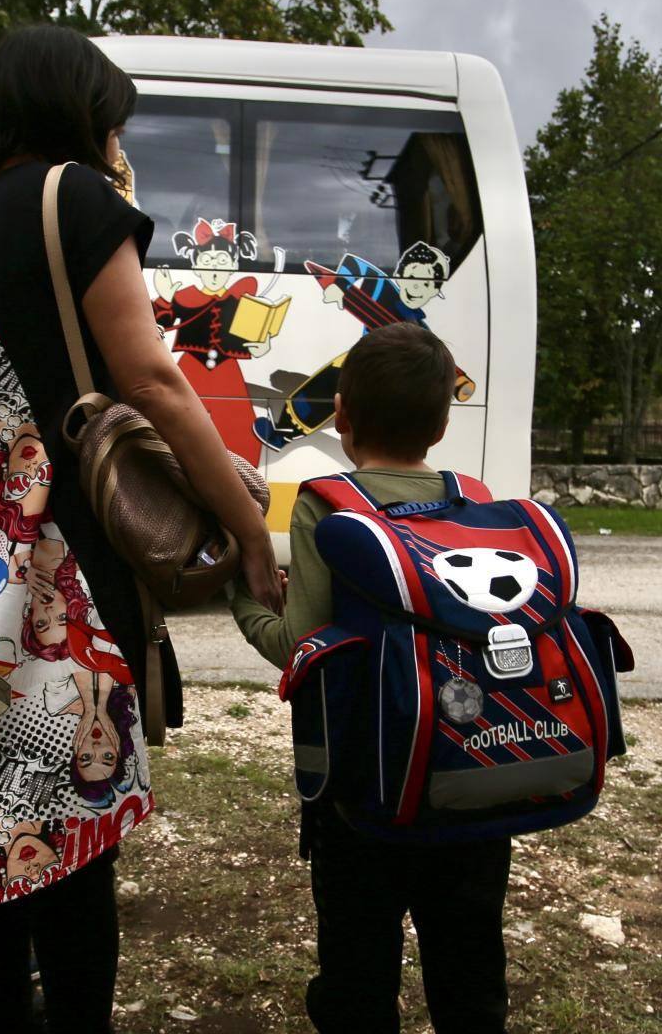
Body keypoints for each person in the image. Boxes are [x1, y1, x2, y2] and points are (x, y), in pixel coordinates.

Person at [0, 24, 281, 1034]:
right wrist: (250, 526)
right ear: (79, 113)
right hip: (47, 571)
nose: (115, 136)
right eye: (111, 117)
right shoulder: (77, 201)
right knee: (70, 843)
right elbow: (149, 378)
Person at [231, 321, 512, 1034]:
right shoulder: (474, 498)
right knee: (470, 965)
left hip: (363, 793)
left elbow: (300, 646)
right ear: (444, 423)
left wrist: (241, 593)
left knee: (358, 973)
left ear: (344, 415)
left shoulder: (329, 504)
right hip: (470, 781)